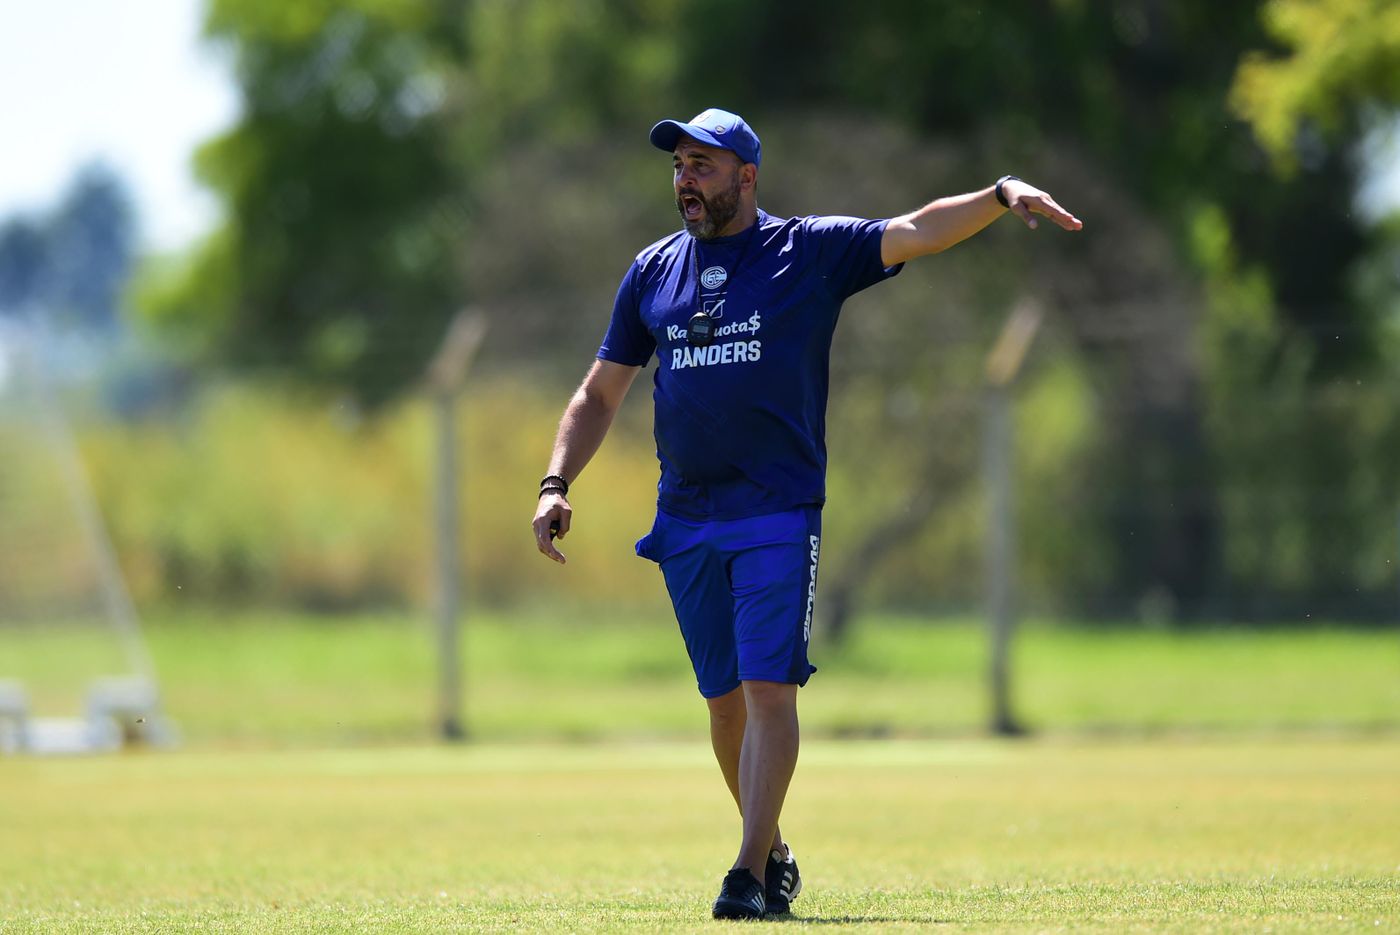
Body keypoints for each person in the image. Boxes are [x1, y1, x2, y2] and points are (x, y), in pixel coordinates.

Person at [531, 107, 1082, 920]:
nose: (685, 179)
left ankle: (746, 875)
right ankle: (777, 849)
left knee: (768, 692)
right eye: (679, 165)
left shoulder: (807, 251)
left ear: (747, 176)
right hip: (684, 514)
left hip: (777, 510)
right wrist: (554, 480)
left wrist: (1000, 194)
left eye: (704, 165)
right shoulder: (652, 271)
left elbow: (916, 230)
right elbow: (600, 390)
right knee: (723, 702)